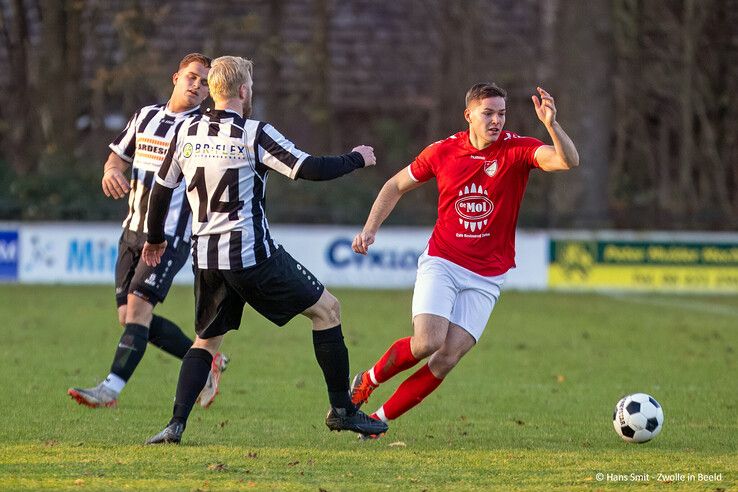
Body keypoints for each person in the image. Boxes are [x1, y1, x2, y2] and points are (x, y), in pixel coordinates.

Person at [141, 55, 389, 444]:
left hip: (205, 257)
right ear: (243, 91)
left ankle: (175, 425)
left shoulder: (184, 132)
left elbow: (161, 189)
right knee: (328, 310)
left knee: (206, 340)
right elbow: (308, 167)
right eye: (251, 87)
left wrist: (154, 237)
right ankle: (342, 411)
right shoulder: (253, 133)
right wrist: (356, 158)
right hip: (252, 256)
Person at [350, 83, 579, 438]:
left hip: (488, 276)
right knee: (428, 341)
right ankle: (368, 379)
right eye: (488, 113)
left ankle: (378, 421)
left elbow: (567, 161)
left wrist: (551, 124)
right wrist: (370, 228)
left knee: (447, 357)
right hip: (443, 261)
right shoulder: (442, 151)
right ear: (468, 115)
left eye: (501, 113)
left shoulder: (517, 150)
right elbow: (395, 185)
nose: (496, 120)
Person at [68, 53, 229, 410]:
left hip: (169, 236)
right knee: (128, 317)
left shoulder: (204, 128)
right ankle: (207, 360)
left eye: (205, 82)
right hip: (131, 232)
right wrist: (111, 171)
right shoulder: (145, 116)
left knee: (139, 309)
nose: (198, 85)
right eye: (192, 77)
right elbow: (117, 157)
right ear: (175, 77)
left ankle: (109, 389)